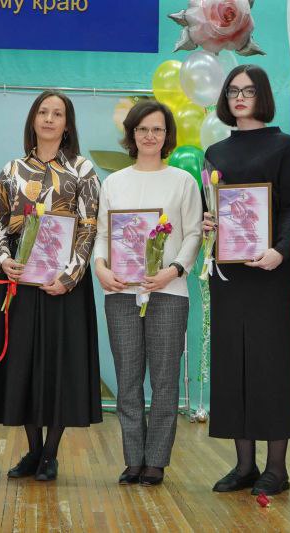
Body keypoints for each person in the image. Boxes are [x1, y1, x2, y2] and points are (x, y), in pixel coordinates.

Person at [0, 90, 102, 481]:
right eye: (43, 112)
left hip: (64, 285)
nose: (49, 119)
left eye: (57, 113)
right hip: (19, 282)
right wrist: (3, 260)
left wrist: (70, 275)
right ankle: (33, 451)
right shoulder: (11, 170)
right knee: (23, 365)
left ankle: (51, 454)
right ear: (33, 120)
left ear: (67, 124)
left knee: (60, 366)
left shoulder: (83, 170)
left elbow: (90, 227)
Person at [203, 65, 290, 496]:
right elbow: (215, 209)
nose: (239, 97)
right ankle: (244, 466)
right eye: (232, 91)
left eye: (248, 90)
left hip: (272, 272)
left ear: (262, 95)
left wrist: (280, 249)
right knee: (233, 365)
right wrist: (210, 224)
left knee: (270, 365)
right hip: (229, 274)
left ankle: (276, 469)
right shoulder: (215, 152)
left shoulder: (285, 145)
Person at [94, 100, 202, 487]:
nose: (150, 136)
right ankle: (133, 459)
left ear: (167, 135)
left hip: (169, 292)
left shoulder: (183, 182)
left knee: (165, 379)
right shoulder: (114, 182)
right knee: (127, 379)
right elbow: (102, 235)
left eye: (157, 129)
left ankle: (156, 460)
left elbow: (193, 233)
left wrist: (174, 270)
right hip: (121, 293)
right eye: (142, 129)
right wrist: (101, 267)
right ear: (132, 134)